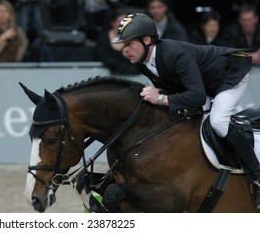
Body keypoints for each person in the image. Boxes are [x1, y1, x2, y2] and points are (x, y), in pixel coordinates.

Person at [111, 12, 260, 208]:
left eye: (129, 44)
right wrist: (163, 92)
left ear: (147, 40)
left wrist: (161, 98)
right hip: (203, 85)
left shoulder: (173, 53)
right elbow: (179, 87)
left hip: (229, 76)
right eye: (123, 45)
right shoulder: (142, 62)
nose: (125, 50)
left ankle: (256, 176)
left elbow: (196, 97)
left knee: (217, 121)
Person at [95, 8, 138, 75]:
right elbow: (101, 57)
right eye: (119, 21)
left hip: (131, 75)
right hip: (104, 75)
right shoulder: (103, 37)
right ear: (112, 23)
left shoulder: (134, 38)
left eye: (126, 22)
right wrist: (121, 55)